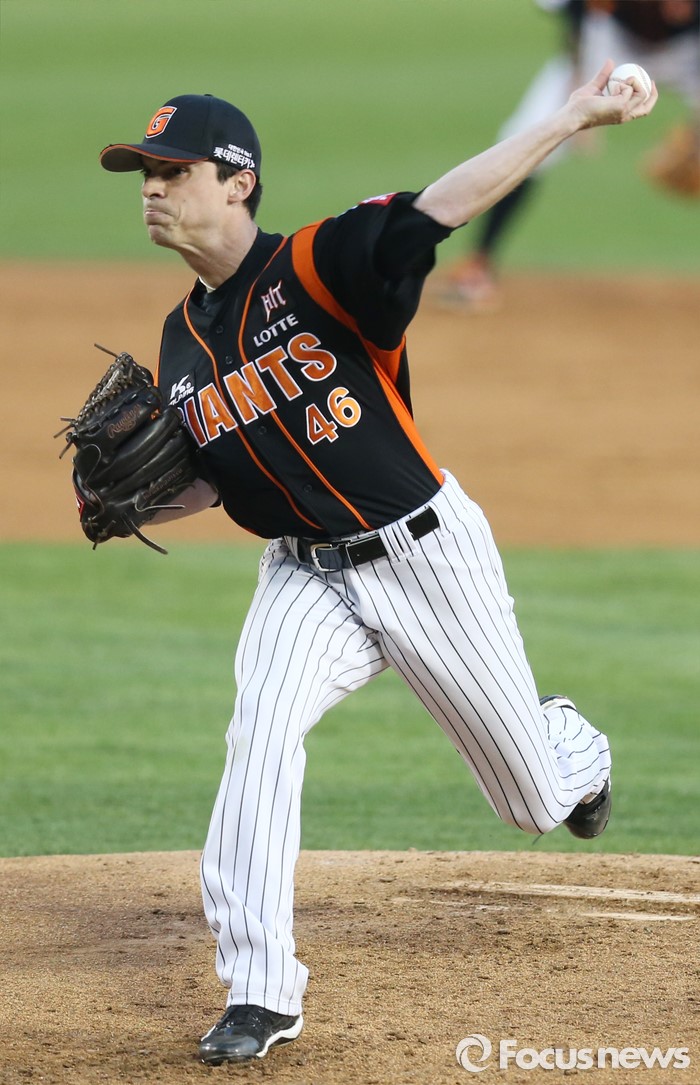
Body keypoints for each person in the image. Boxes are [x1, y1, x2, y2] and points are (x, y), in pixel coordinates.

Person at [98, 61, 656, 1066]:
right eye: (145, 171)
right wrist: (132, 501)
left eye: (173, 171)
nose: (152, 187)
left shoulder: (318, 266)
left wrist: (573, 116)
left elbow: (438, 208)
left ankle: (568, 742)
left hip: (428, 557)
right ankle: (260, 990)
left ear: (238, 182)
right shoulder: (181, 341)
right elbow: (220, 476)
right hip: (304, 575)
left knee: (532, 801)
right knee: (260, 728)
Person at [439, 0, 698, 310]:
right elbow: (576, 11)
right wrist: (578, 94)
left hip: (688, 53)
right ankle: (478, 264)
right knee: (527, 135)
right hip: (608, 46)